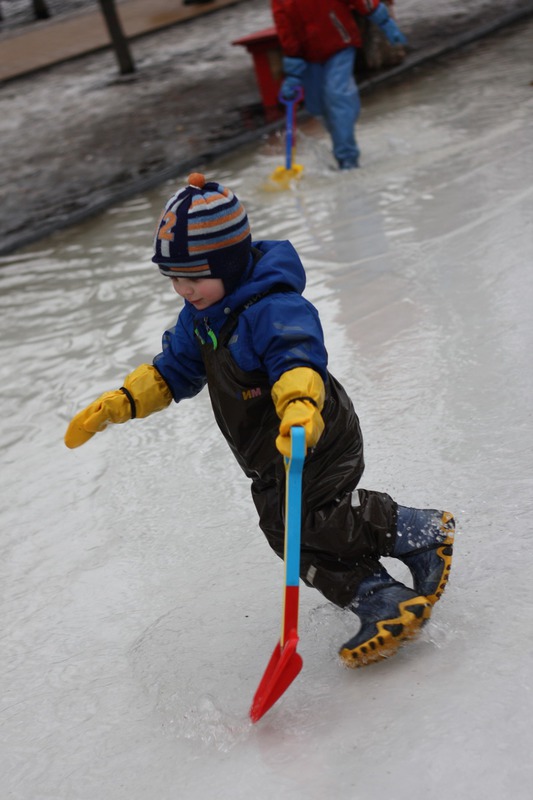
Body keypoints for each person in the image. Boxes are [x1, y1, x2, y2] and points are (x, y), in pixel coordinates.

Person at [64, 173, 454, 667]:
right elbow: (174, 371)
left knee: (314, 519)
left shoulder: (271, 308)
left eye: (194, 277)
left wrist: (298, 409)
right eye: (174, 279)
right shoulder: (199, 319)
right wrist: (121, 402)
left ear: (228, 264)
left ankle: (416, 530)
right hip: (269, 453)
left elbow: (298, 359)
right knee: (284, 532)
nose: (183, 290)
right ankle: (378, 597)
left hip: (315, 432)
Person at [272, 0, 407, 169]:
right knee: (318, 106)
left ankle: (347, 158)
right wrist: (292, 69)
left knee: (337, 95)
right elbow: (285, 27)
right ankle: (341, 141)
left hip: (339, 45)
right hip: (307, 56)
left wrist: (384, 20)